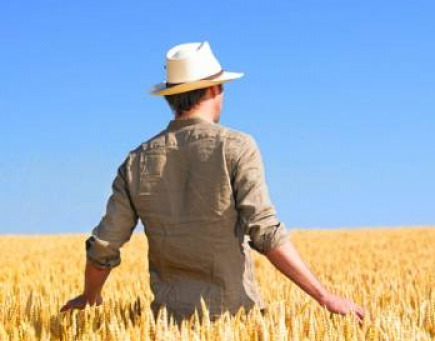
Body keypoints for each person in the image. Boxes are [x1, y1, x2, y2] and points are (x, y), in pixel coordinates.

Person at [60, 41, 367, 324]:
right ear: (215, 89)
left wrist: (89, 296)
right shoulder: (236, 146)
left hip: (167, 328)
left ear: (170, 98)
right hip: (235, 321)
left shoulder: (136, 161)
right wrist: (324, 296)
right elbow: (265, 231)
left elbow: (105, 244)